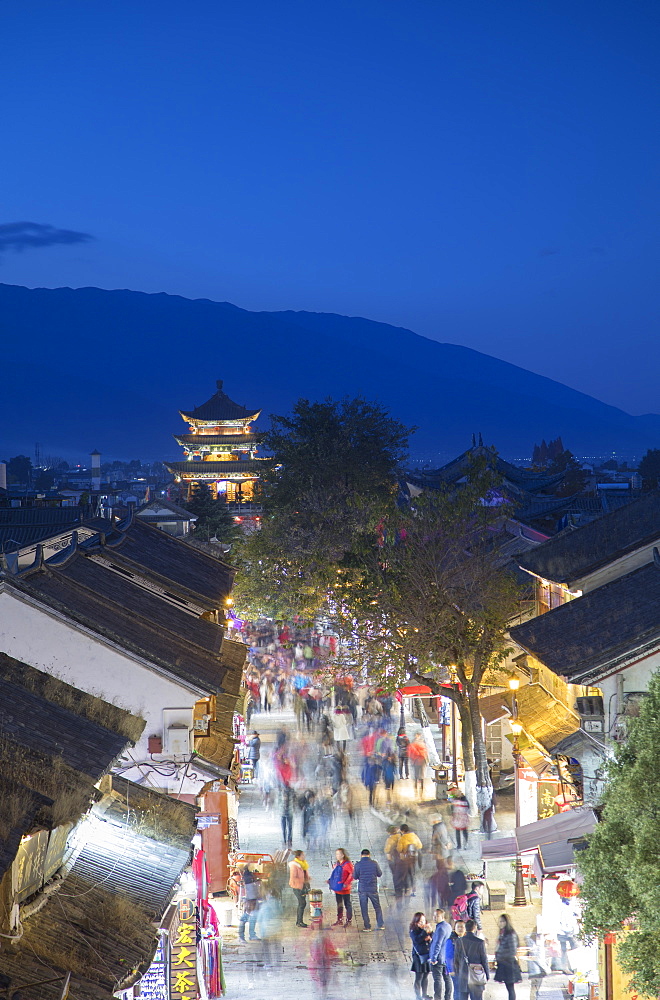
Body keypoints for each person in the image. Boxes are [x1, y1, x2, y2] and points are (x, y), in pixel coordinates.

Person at [455, 918, 489, 1000]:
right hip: (476, 974)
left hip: (463, 976)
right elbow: (484, 960)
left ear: (465, 928)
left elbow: (456, 960)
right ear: (475, 928)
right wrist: (487, 974)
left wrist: (457, 974)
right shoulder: (480, 942)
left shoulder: (459, 941)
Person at [352, 848, 384, 931]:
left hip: (362, 889)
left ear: (361, 855)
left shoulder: (358, 865)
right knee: (377, 907)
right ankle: (380, 924)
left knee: (364, 908)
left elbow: (355, 876)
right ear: (369, 855)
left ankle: (367, 926)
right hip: (373, 888)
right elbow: (379, 874)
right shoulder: (374, 863)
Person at [494, 914, 522, 1000]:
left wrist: (501, 956)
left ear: (507, 922)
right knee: (508, 987)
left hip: (509, 964)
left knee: (510, 988)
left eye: (503, 921)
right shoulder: (502, 933)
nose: (501, 923)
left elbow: (513, 950)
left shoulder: (510, 934)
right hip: (503, 963)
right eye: (500, 921)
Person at [429, 908, 452, 1000]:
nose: (434, 918)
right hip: (446, 957)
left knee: (437, 979)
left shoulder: (440, 928)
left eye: (437, 916)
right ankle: (448, 997)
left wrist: (434, 958)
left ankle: (437, 997)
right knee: (447, 978)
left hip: (438, 959)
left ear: (442, 917)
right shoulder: (448, 926)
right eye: (434, 916)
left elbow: (437, 944)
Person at [327, 848, 354, 927]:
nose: (337, 856)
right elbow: (334, 875)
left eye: (339, 854)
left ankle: (349, 920)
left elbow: (352, 874)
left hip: (345, 889)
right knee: (339, 904)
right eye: (336, 854)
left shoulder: (347, 864)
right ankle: (340, 919)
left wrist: (347, 883)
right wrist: (330, 881)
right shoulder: (337, 864)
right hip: (338, 888)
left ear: (343, 855)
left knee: (347, 904)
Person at [409, 911, 433, 1000]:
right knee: (419, 976)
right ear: (415, 922)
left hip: (427, 954)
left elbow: (432, 937)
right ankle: (418, 996)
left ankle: (424, 994)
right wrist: (424, 932)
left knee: (426, 975)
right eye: (420, 921)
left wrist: (430, 934)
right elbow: (417, 940)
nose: (422, 923)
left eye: (423, 921)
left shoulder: (426, 928)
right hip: (418, 956)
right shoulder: (413, 930)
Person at [397, 823, 423, 897]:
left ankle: (407, 889)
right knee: (412, 874)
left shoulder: (402, 838)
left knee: (405, 874)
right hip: (414, 858)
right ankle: (414, 889)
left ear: (402, 831)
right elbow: (420, 845)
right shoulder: (414, 836)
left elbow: (399, 849)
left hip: (405, 859)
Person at [238, 864, 262, 942]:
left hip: (253, 898)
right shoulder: (247, 877)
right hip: (250, 899)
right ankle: (241, 937)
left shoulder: (249, 877)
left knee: (252, 917)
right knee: (245, 917)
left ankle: (251, 935)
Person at [288, 850, 310, 928]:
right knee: (302, 903)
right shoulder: (294, 865)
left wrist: (308, 879)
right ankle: (299, 922)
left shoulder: (303, 864)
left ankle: (299, 921)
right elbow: (293, 877)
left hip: (303, 886)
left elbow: (304, 873)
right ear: (298, 856)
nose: (304, 856)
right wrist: (303, 880)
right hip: (297, 887)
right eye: (303, 855)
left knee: (303, 903)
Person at [445, 920, 466, 1000]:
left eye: (462, 927)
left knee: (463, 990)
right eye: (458, 927)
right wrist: (451, 970)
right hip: (456, 970)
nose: (460, 929)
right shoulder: (451, 940)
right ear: (455, 929)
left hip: (465, 970)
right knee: (458, 990)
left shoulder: (466, 939)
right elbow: (448, 956)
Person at [526, 931, 548, 1000]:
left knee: (534, 988)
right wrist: (546, 968)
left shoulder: (532, 944)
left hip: (534, 969)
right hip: (537, 970)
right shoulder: (539, 946)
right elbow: (540, 959)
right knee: (534, 988)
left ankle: (534, 997)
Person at [409, 733, 429, 798]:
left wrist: (412, 760)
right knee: (421, 775)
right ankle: (420, 791)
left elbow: (411, 753)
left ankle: (417, 791)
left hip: (416, 761)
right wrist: (426, 759)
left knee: (417, 775)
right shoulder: (422, 743)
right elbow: (425, 752)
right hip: (421, 760)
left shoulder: (413, 743)